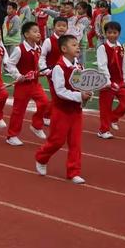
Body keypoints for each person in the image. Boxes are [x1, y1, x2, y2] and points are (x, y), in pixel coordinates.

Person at [35, 35, 92, 184]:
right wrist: (80, 96)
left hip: (76, 111)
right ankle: (41, 157)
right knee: (56, 141)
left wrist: (86, 94)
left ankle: (73, 172)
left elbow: (79, 85)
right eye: (74, 45)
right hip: (61, 111)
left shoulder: (79, 66)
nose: (78, 47)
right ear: (64, 49)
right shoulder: (59, 68)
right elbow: (60, 91)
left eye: (78, 45)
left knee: (76, 143)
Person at [6, 22, 49, 146]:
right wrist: (18, 75)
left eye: (38, 31)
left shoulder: (38, 48)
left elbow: (40, 64)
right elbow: (9, 64)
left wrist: (46, 71)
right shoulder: (19, 49)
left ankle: (36, 125)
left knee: (45, 102)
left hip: (35, 84)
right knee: (18, 111)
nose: (38, 33)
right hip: (23, 86)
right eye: (34, 31)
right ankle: (12, 136)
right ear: (26, 34)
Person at [96, 21, 125, 139]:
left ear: (119, 33)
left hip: (119, 80)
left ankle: (113, 118)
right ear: (105, 33)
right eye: (109, 32)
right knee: (105, 106)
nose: (112, 35)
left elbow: (123, 63)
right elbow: (102, 65)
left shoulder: (121, 46)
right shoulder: (102, 48)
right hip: (107, 81)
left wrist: (124, 77)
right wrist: (108, 82)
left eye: (115, 32)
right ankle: (103, 130)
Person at [39, 17, 69, 126]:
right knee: (56, 95)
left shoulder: (69, 41)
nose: (61, 28)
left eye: (64, 26)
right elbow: (42, 57)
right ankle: (46, 115)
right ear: (53, 27)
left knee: (64, 95)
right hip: (52, 73)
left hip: (66, 73)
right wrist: (46, 70)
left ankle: (58, 114)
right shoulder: (48, 41)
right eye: (59, 25)